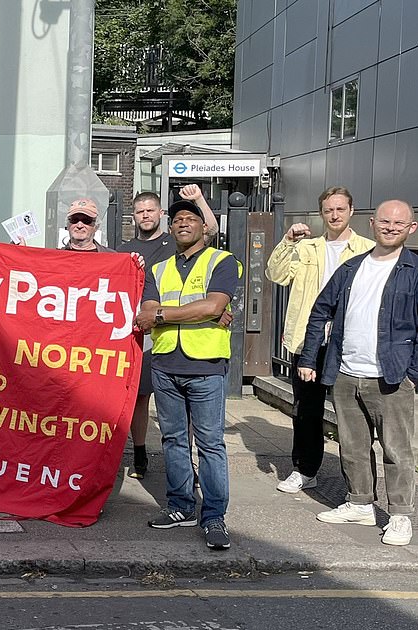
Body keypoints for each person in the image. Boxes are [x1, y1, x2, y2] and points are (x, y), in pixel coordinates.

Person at [299, 199, 418, 546]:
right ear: (372, 223)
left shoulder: (414, 270)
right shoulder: (352, 268)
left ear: (411, 228)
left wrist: (413, 373)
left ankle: (399, 515)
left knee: (398, 450)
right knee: (352, 446)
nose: (391, 227)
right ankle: (360, 503)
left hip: (393, 376)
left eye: (399, 223)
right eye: (385, 221)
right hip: (347, 372)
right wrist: (309, 358)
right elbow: (320, 310)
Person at [136, 199, 240, 550]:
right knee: (173, 440)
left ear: (203, 227)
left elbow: (213, 305)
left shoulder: (222, 261)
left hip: (205, 366)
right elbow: (145, 309)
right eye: (177, 219)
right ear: (171, 227)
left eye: (190, 219)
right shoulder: (159, 268)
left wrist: (165, 316)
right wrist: (197, 313)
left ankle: (213, 516)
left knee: (210, 444)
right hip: (165, 364)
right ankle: (180, 506)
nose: (183, 223)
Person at [266, 187, 374, 494]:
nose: (335, 215)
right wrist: (287, 241)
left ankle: (358, 483)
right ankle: (305, 468)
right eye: (329, 210)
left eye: (341, 209)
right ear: (321, 213)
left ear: (352, 211)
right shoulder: (308, 247)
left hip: (350, 341)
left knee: (353, 414)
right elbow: (275, 274)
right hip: (307, 340)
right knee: (306, 409)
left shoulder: (366, 248)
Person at [119, 185, 219, 479]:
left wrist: (198, 199)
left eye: (151, 210)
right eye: (140, 211)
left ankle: (187, 464)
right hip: (136, 331)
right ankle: (139, 454)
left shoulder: (176, 241)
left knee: (179, 409)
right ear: (133, 216)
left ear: (161, 214)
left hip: (179, 336)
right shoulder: (123, 250)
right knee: (138, 397)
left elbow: (209, 230)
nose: (146, 215)